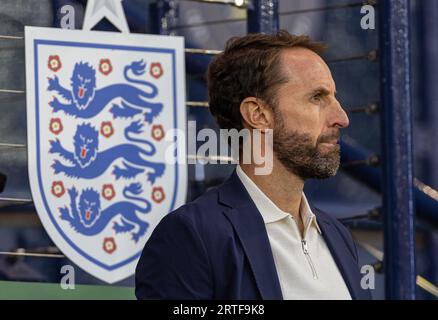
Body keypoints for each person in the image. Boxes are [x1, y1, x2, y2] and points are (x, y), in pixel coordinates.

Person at [135, 30, 371, 300]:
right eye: (317, 98)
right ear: (258, 114)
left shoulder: (337, 236)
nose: (341, 117)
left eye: (334, 97)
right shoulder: (193, 236)